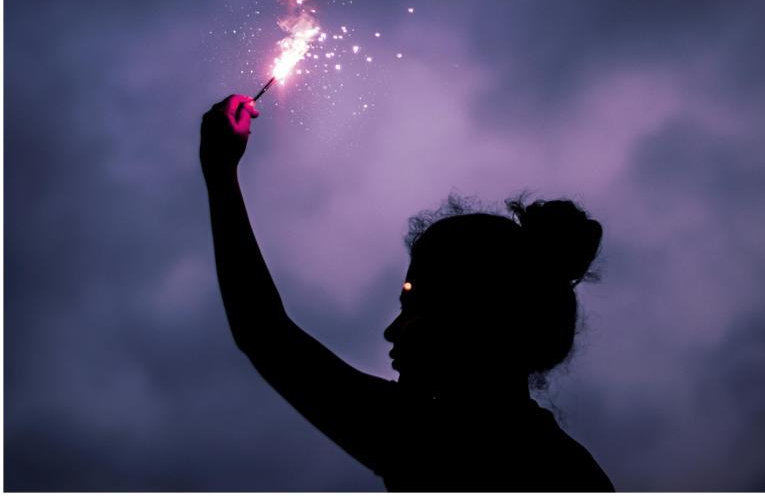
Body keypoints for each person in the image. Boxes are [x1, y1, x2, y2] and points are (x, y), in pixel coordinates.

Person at [200, 94, 615, 491]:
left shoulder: (435, 441)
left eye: (415, 306)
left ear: (476, 317)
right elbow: (265, 334)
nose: (392, 332)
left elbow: (264, 334)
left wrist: (221, 175)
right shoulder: (572, 471)